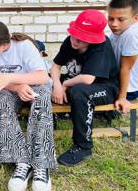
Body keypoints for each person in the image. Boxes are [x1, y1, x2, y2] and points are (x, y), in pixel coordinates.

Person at [0, 20, 57, 191]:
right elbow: (0, 82)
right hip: (12, 88)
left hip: (36, 85)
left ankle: (41, 165)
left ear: (4, 44)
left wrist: (12, 78)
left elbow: (42, 77)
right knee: (0, 99)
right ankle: (22, 162)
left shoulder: (24, 46)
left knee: (42, 101)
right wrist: (17, 86)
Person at [51, 9, 119, 167]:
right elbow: (55, 66)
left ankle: (83, 146)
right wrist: (56, 85)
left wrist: (64, 85)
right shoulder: (70, 41)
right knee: (44, 81)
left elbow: (88, 79)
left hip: (105, 87)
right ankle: (47, 127)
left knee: (79, 92)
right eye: (74, 35)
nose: (75, 41)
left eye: (82, 39)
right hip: (77, 81)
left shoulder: (101, 46)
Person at [107, 0, 138, 113]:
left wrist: (122, 97)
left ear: (136, 18)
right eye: (111, 18)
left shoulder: (131, 34)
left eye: (121, 19)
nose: (114, 24)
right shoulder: (118, 31)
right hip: (117, 82)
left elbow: (126, 68)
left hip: (128, 89)